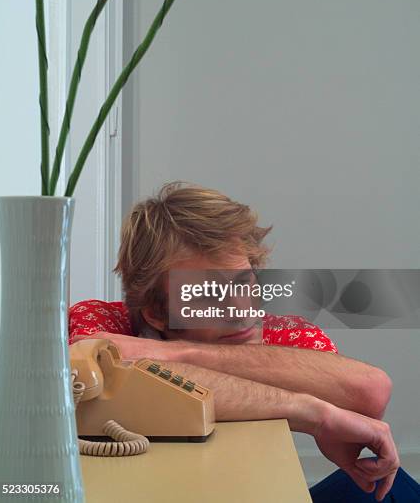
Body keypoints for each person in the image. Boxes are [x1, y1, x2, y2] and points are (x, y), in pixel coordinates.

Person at [69, 181, 401, 502]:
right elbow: (87, 375)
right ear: (156, 312)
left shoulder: (284, 333)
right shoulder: (101, 321)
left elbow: (369, 390)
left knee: (384, 489)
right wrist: (312, 412)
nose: (242, 311)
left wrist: (176, 353)